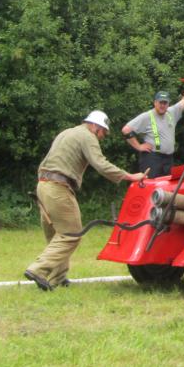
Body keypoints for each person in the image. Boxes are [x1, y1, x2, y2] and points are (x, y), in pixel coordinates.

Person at [24, 111, 145, 291]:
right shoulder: (87, 136)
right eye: (103, 132)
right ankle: (38, 270)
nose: (103, 137)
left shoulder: (67, 132)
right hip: (58, 187)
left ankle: (58, 278)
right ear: (95, 126)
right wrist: (129, 176)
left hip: (43, 186)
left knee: (56, 235)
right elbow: (100, 164)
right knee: (71, 235)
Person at [122, 74, 184, 177]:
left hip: (168, 159)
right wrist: (138, 146)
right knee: (152, 187)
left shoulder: (171, 112)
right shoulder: (147, 116)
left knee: (167, 189)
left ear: (168, 104)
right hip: (152, 158)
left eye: (165, 103)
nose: (162, 105)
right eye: (160, 102)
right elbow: (126, 130)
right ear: (155, 103)